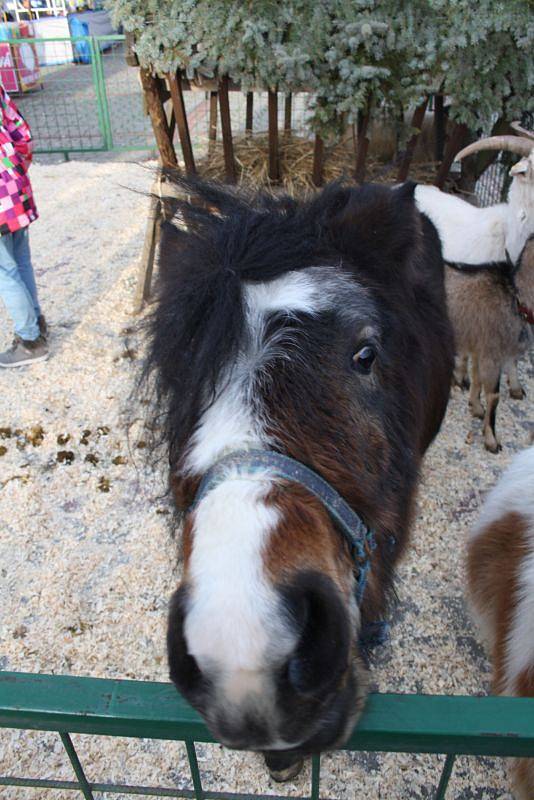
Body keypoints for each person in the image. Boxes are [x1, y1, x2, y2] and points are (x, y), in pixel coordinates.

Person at [0, 84, 47, 367]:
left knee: (5, 272)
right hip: (15, 189)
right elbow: (22, 135)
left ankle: (30, 341)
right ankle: (37, 325)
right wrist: (14, 170)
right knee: (21, 261)